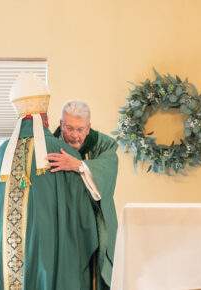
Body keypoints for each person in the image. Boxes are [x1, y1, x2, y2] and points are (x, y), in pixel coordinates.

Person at [0, 74, 99, 290]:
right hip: (49, 258)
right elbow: (83, 220)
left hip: (5, 257)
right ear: (45, 118)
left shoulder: (3, 153)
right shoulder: (64, 153)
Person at [48, 101, 118, 289]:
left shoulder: (103, 145)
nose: (74, 135)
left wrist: (79, 165)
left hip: (94, 223)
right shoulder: (48, 146)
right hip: (60, 221)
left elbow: (108, 174)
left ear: (88, 127)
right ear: (61, 124)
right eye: (69, 128)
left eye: (80, 129)